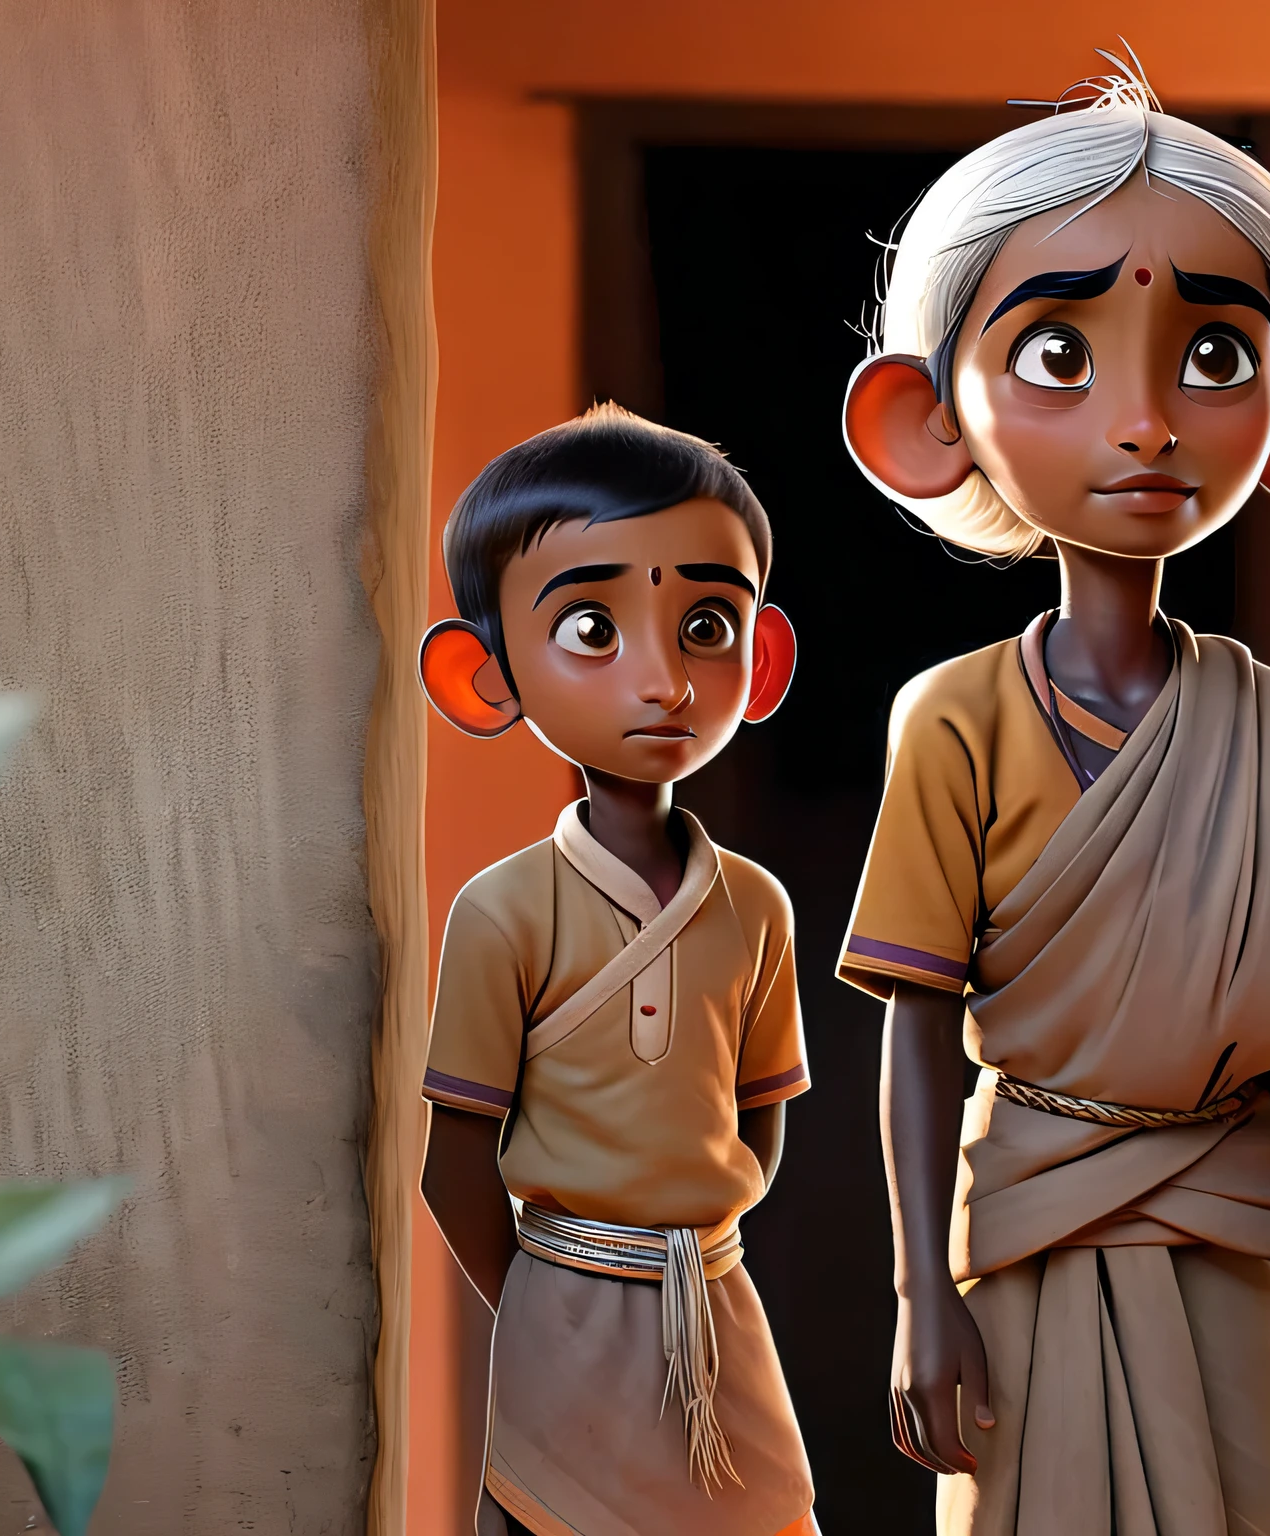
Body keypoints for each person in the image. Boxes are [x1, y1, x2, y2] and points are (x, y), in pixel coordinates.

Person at [836, 57, 1270, 1536]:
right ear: (927, 417)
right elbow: (913, 1022)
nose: (1146, 421)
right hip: (1027, 1226)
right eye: (1060, 358)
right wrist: (917, 1296)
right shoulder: (953, 721)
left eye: (1216, 358)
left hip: (1231, 1220)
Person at [415, 404, 815, 1536]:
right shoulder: (501, 912)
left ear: (763, 657)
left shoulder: (755, 908)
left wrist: (688, 1239)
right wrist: (554, 1298)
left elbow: (761, 1120)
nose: (662, 680)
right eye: (593, 627)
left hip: (715, 1317)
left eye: (704, 626)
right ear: (483, 677)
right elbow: (455, 1163)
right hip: (563, 1326)